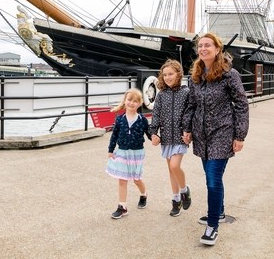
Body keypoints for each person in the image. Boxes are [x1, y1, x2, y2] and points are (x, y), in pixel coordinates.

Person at [182, 33, 249, 246]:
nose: (203, 49)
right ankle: (218, 212)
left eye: (207, 45)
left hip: (222, 132)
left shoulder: (230, 75)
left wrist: (240, 135)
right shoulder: (196, 75)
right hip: (202, 136)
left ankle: (212, 226)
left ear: (217, 49)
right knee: (212, 177)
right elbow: (191, 104)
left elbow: (241, 104)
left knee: (212, 179)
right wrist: (187, 128)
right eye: (200, 46)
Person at [149, 59, 192, 217]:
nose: (167, 77)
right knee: (170, 170)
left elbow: (190, 113)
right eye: (165, 74)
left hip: (181, 137)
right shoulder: (161, 95)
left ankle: (184, 190)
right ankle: (175, 200)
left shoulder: (186, 92)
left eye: (170, 74)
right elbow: (156, 115)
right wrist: (153, 133)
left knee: (175, 166)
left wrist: (189, 131)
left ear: (178, 74)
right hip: (166, 136)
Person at [106, 88, 151, 219]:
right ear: (125, 101)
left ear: (140, 103)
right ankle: (122, 207)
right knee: (122, 180)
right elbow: (114, 135)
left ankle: (144, 194)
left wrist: (156, 138)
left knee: (137, 179)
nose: (132, 103)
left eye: (135, 101)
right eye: (129, 100)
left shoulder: (142, 119)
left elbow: (149, 134)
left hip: (137, 153)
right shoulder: (120, 119)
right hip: (122, 152)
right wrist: (110, 150)